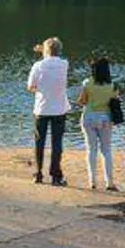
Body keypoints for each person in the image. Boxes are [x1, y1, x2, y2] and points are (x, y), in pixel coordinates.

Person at [27, 36, 70, 186]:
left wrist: (40, 90)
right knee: (57, 143)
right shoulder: (64, 64)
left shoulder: (37, 66)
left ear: (45, 51)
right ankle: (55, 176)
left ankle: (38, 174)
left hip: (42, 108)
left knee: (39, 142)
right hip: (59, 109)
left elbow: (30, 86)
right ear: (59, 50)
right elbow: (53, 59)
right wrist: (45, 50)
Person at [78, 57, 120, 191]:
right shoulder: (113, 85)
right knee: (106, 150)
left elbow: (83, 101)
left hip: (89, 117)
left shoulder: (87, 83)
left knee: (91, 150)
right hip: (105, 119)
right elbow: (115, 102)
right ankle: (110, 182)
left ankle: (92, 182)